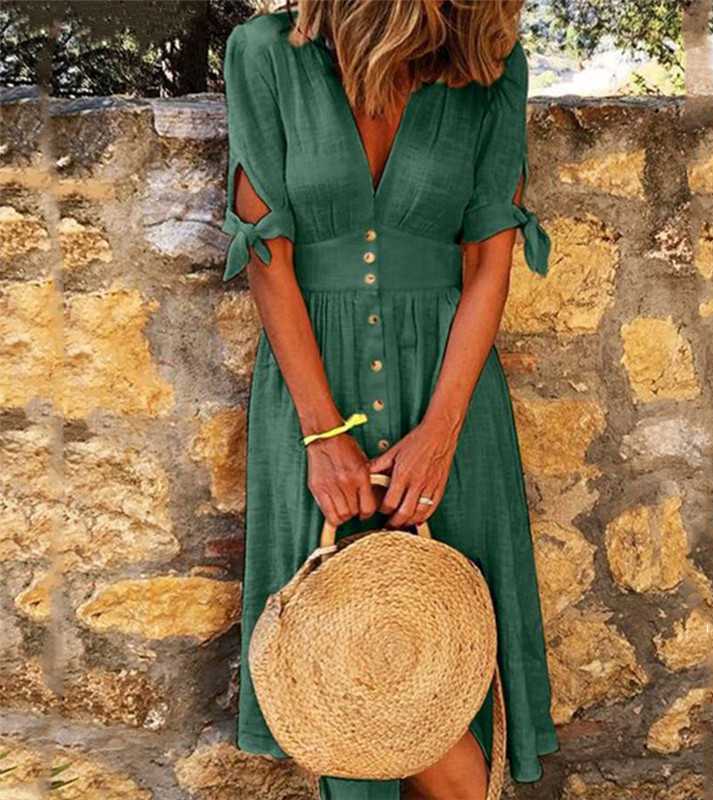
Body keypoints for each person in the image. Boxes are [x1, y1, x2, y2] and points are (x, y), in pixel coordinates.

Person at [221, 1, 558, 797]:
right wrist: (321, 434)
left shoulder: (489, 66)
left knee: (450, 659)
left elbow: (489, 263)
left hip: (450, 396)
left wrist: (440, 434)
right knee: (340, 674)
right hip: (314, 390)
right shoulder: (265, 54)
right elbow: (267, 255)